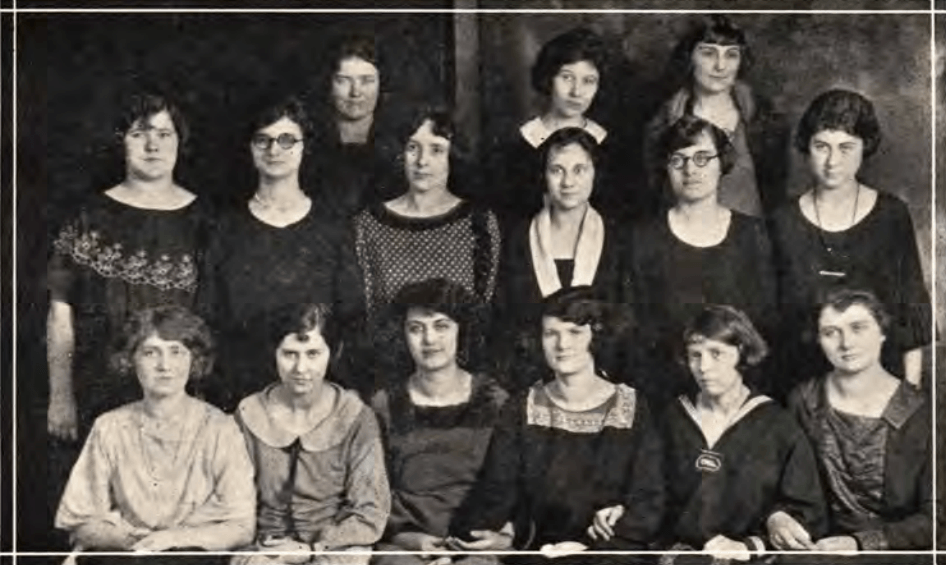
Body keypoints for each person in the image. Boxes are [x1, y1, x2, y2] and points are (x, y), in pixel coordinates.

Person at [47, 92, 210, 547]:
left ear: (180, 143)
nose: (152, 145)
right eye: (140, 134)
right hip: (97, 391)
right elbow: (60, 311)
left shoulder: (205, 220)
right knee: (100, 527)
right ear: (122, 141)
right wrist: (61, 395)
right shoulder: (88, 216)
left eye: (164, 134)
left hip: (177, 397)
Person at [448, 287, 664, 563]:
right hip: (539, 550)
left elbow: (649, 498)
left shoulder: (632, 407)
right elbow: (496, 490)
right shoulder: (522, 406)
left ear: (596, 337)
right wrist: (495, 534)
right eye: (551, 333)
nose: (562, 345)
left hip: (608, 551)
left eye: (575, 332)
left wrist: (610, 531)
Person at [199, 97, 363, 411]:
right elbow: (208, 316)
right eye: (263, 140)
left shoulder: (332, 227)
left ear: (305, 147)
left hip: (316, 394)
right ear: (250, 148)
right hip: (240, 396)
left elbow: (351, 317)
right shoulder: (225, 228)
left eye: (287, 140)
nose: (274, 149)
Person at [55, 306, 255, 561]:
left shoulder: (220, 428)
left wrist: (174, 540)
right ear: (130, 360)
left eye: (176, 352)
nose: (164, 366)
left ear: (194, 360)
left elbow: (242, 527)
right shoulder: (109, 427)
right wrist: (135, 542)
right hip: (128, 555)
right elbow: (81, 523)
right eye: (150, 353)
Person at [770, 89, 932, 397]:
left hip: (880, 389)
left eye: (846, 147)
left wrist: (909, 395)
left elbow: (912, 310)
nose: (833, 161)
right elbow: (771, 325)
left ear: (864, 147)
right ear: (806, 148)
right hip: (800, 390)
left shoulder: (891, 215)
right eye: (822, 146)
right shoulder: (781, 221)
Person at [654, 305, 825, 563]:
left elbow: (809, 514)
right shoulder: (671, 419)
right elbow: (646, 497)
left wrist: (753, 544)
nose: (704, 367)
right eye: (695, 355)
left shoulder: (777, 425)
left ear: (742, 353)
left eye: (716, 353)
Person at [351, 107, 500, 394]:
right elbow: (369, 318)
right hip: (388, 384)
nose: (422, 161)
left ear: (453, 156)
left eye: (436, 150)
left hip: (460, 384)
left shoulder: (479, 222)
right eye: (412, 148)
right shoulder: (368, 225)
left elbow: (481, 317)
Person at [630, 114, 777, 405]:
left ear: (722, 163)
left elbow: (765, 322)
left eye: (702, 158)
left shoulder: (752, 235)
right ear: (666, 168)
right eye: (678, 160)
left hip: (738, 396)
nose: (690, 170)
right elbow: (636, 334)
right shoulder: (642, 239)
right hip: (664, 396)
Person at [778, 290, 931, 564]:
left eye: (858, 328)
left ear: (882, 333)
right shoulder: (803, 400)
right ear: (818, 340)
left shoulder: (923, 412)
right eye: (831, 332)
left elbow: (937, 517)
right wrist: (777, 517)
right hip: (819, 547)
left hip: (896, 552)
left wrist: (860, 543)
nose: (846, 343)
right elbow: (780, 483)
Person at [233, 303, 390, 565]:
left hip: (336, 548)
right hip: (264, 548)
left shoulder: (356, 416)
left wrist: (314, 549)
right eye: (289, 354)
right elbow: (232, 501)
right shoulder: (249, 412)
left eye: (313, 353)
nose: (301, 368)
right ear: (274, 353)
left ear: (334, 352)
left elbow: (371, 510)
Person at [371, 278, 508, 565]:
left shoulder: (494, 400)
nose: (429, 339)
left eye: (441, 326)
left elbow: (512, 488)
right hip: (405, 544)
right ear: (402, 335)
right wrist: (408, 539)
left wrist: (501, 537)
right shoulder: (384, 404)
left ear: (462, 330)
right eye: (416, 328)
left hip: (476, 543)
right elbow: (372, 491)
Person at [496, 127, 633, 390]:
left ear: (595, 173)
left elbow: (625, 325)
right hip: (531, 384)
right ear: (544, 176)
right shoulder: (517, 238)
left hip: (603, 383)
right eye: (557, 170)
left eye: (579, 170)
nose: (568, 182)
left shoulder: (619, 239)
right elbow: (506, 323)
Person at [644, 14, 790, 218]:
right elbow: (654, 196)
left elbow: (776, 196)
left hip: (749, 233)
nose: (720, 66)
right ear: (689, 57)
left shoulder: (763, 119)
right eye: (708, 53)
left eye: (731, 55)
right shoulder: (663, 123)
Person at [487, 27, 616, 226]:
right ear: (548, 78)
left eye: (589, 81)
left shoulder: (608, 146)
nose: (577, 92)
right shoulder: (516, 147)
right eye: (567, 77)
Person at [305, 34, 400, 222]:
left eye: (367, 80)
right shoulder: (307, 137)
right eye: (343, 80)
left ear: (381, 83)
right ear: (328, 84)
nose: (356, 92)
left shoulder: (402, 138)